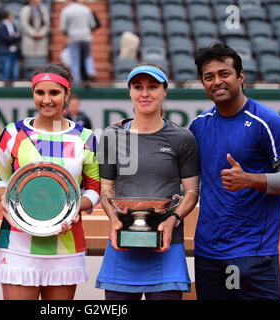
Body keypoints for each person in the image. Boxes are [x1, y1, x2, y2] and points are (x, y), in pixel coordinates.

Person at [190, 42, 280, 300]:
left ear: (240, 77)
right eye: (209, 77)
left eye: (224, 74)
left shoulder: (268, 122)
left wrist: (250, 180)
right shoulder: (198, 126)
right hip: (208, 254)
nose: (217, 81)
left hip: (254, 254)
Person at [0, 62, 101, 300]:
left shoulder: (85, 138)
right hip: (18, 244)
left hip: (66, 244)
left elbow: (94, 190)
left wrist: (72, 210)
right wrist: (2, 198)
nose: (47, 99)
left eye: (54, 92)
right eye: (40, 92)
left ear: (67, 94)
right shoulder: (13, 133)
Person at [95, 64, 200, 300]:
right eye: (138, 87)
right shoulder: (111, 136)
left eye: (152, 86)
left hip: (167, 243)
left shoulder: (183, 139)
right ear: (130, 92)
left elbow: (192, 191)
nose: (145, 93)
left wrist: (172, 220)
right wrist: (113, 220)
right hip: (122, 243)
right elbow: (107, 189)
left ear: (164, 91)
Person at [60, 0, 97, 84]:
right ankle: (91, 71)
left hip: (74, 38)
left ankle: (77, 81)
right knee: (87, 56)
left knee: (75, 60)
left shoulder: (66, 10)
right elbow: (93, 25)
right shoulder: (86, 9)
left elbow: (63, 28)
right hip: (86, 36)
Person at [0, 9, 21, 81]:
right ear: (7, 16)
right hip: (5, 52)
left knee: (15, 72)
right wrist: (14, 36)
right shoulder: (1, 25)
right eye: (11, 15)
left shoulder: (13, 25)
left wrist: (14, 37)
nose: (12, 17)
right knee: (5, 72)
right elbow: (4, 38)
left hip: (14, 51)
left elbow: (18, 36)